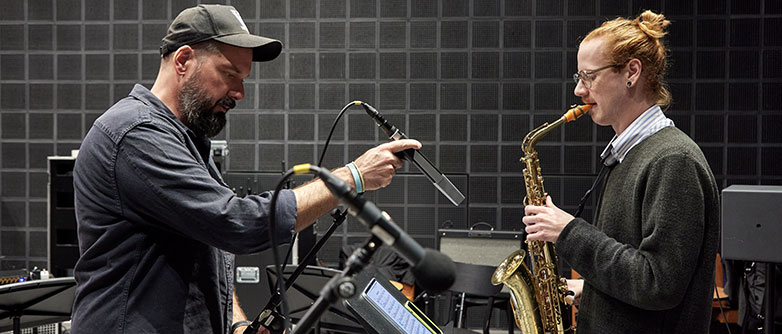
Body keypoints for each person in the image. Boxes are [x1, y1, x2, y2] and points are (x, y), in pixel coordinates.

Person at [70, 5, 420, 334]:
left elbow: (213, 248)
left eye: (244, 79)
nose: (239, 93)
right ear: (183, 60)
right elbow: (233, 223)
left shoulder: (185, 139)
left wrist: (235, 324)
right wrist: (351, 177)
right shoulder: (136, 133)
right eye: (229, 74)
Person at [521, 10, 720, 333]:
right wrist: (592, 290)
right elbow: (634, 267)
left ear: (631, 71)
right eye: (578, 78)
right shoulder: (629, 155)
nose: (579, 91)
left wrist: (568, 232)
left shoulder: (672, 160)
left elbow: (658, 283)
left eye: (589, 76)